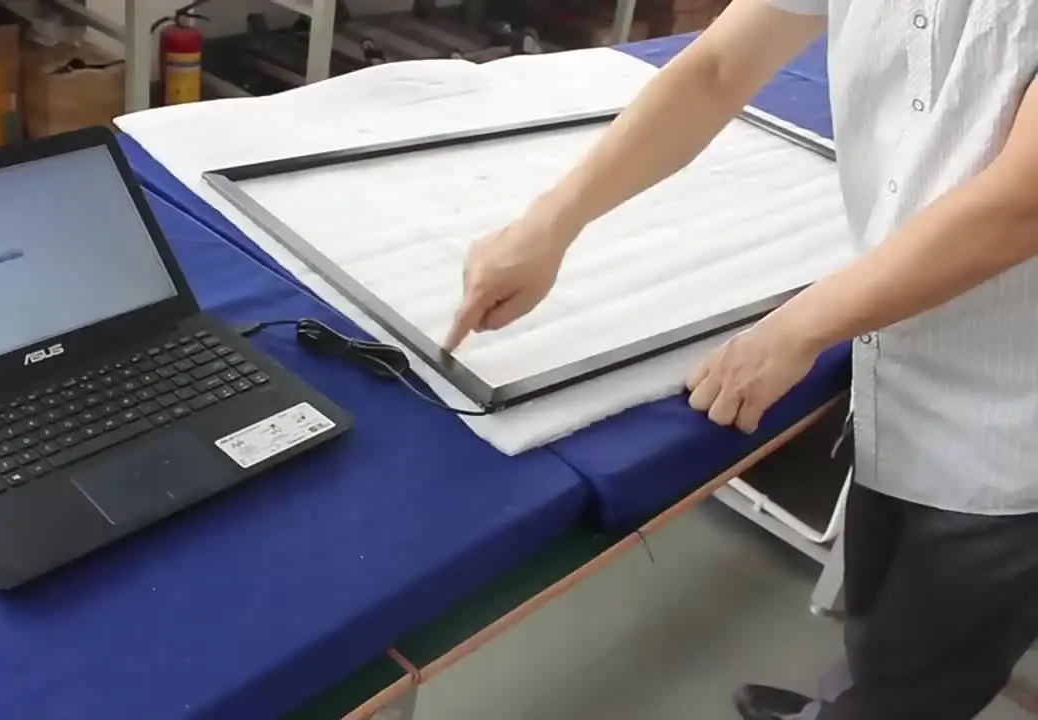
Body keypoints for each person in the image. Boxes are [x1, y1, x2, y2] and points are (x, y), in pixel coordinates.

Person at [443, 2, 1038, 718]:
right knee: (884, 610)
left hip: (1012, 408)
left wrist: (796, 330)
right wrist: (550, 222)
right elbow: (719, 66)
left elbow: (1020, 203)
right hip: (906, 350)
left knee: (931, 657)